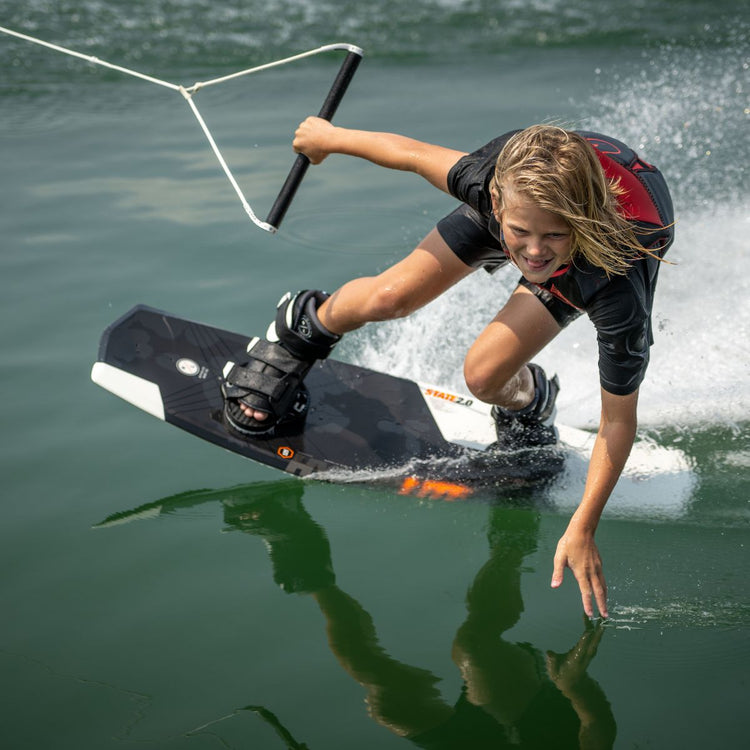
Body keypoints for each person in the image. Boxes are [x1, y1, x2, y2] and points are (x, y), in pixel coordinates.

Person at [221, 118, 674, 619]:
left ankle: (529, 400)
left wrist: (583, 526)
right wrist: (329, 139)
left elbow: (618, 420)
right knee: (390, 296)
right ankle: (299, 332)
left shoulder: (617, 280)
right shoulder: (489, 181)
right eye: (519, 233)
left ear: (578, 222)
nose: (532, 252)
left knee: (484, 376)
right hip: (542, 192)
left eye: (552, 235)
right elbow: (412, 153)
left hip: (598, 243)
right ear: (496, 203)